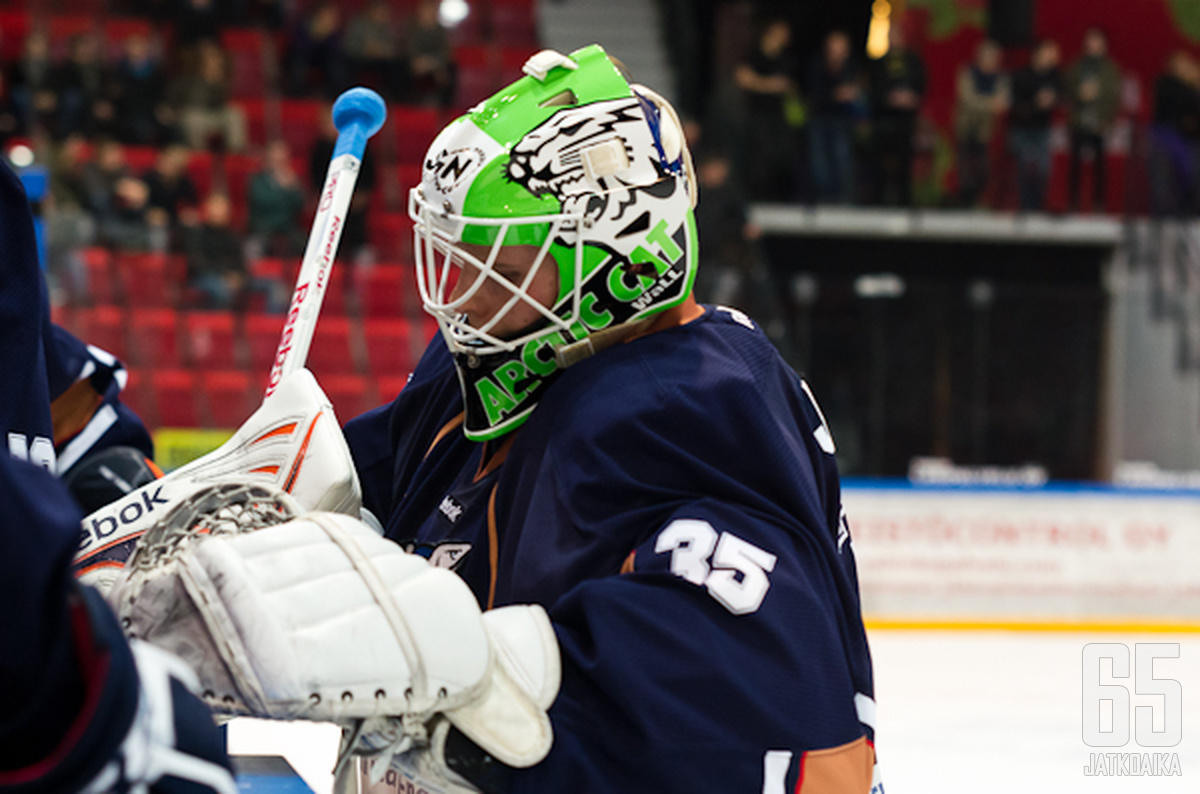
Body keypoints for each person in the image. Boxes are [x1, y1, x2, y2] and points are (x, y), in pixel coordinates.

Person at [343, 45, 879, 792]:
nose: (456, 291)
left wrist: (446, 679)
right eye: (455, 251)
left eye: (499, 257)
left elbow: (785, 732)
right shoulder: (494, 354)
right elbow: (378, 475)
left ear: (610, 261)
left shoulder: (687, 401)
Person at [732, 17, 801, 202]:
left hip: (779, 116)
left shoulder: (786, 59)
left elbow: (792, 86)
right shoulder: (754, 55)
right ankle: (756, 197)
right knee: (759, 158)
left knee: (782, 156)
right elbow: (743, 79)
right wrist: (772, 85)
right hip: (758, 115)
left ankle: (779, 196)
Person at [868, 24, 926, 206]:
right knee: (880, 165)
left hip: (906, 122)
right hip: (884, 120)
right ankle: (878, 202)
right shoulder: (879, 63)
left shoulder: (913, 61)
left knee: (905, 165)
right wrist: (889, 98)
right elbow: (873, 89)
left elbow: (922, 84)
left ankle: (905, 203)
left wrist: (910, 98)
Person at [1064, 27, 1121, 213]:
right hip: (1079, 121)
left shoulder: (1110, 69)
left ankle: (1098, 205)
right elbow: (1066, 92)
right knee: (1075, 166)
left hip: (1100, 123)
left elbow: (1115, 97)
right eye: (1090, 42)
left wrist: (1107, 120)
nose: (1093, 46)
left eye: (1097, 42)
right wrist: (1080, 94)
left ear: (1104, 45)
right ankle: (1073, 204)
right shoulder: (1076, 66)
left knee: (1100, 167)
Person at [806, 30, 863, 205]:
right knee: (819, 162)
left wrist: (852, 93)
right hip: (820, 118)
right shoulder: (817, 65)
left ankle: (844, 199)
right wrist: (834, 95)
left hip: (842, 120)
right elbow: (812, 94)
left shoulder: (851, 67)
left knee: (842, 159)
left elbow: (858, 92)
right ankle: (824, 198)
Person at [953, 39, 1009, 208]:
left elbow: (1002, 103)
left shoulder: (1000, 77)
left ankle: (978, 199)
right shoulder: (968, 72)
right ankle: (965, 202)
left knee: (983, 169)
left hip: (985, 130)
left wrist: (985, 103)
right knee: (964, 167)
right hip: (965, 126)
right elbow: (967, 99)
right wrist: (990, 104)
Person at [1008, 39, 1062, 212]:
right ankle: (1026, 207)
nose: (1052, 57)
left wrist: (1053, 100)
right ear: (1037, 54)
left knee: (1044, 169)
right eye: (1048, 53)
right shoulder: (1022, 75)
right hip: (1022, 128)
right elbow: (1015, 104)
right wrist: (1035, 104)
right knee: (1024, 168)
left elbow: (1062, 97)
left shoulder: (1055, 76)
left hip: (1042, 129)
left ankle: (1037, 206)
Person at [1149, 50, 1200, 216]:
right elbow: (1179, 101)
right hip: (1165, 136)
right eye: (1179, 64)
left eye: (1186, 64)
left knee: (1191, 175)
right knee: (1164, 181)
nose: (1184, 68)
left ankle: (1188, 212)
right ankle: (1166, 216)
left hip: (1189, 140)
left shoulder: (1192, 87)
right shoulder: (1165, 83)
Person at [248, 139, 306, 257]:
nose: (279, 164)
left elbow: (300, 204)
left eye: (282, 160)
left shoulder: (292, 181)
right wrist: (284, 191)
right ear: (268, 161)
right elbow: (264, 202)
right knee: (253, 247)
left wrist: (292, 188)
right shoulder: (258, 180)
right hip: (263, 229)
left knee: (307, 243)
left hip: (288, 229)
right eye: (276, 160)